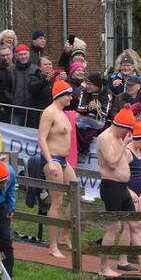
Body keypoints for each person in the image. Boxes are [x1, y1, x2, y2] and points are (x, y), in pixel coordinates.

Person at [96, 108, 137, 277]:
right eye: (127, 130)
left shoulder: (119, 138)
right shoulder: (105, 138)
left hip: (122, 187)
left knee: (134, 223)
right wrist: (125, 145)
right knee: (114, 227)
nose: (127, 134)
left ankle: (128, 261)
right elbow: (112, 163)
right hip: (111, 186)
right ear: (120, 126)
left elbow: (122, 160)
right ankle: (103, 267)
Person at [39, 79, 78, 259]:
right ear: (60, 96)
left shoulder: (63, 113)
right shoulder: (49, 112)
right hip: (52, 159)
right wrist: (50, 161)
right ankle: (52, 245)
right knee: (57, 202)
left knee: (76, 194)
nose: (71, 98)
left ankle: (64, 235)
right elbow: (42, 139)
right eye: (69, 95)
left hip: (63, 159)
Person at [117, 121, 141, 272]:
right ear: (139, 138)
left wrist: (140, 192)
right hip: (128, 190)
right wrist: (128, 191)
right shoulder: (127, 151)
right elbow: (118, 174)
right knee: (130, 227)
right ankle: (123, 260)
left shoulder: (138, 150)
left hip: (139, 190)